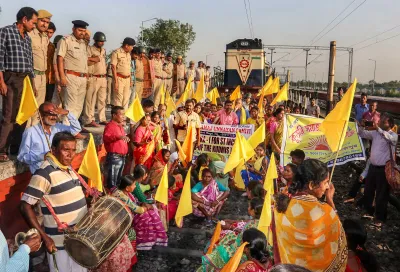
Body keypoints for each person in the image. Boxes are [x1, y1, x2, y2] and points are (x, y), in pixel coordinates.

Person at [21, 132, 88, 272]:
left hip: (78, 240)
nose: (70, 154)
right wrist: (45, 238)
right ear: (54, 150)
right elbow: (25, 206)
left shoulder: (67, 168)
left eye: (73, 150)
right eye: (66, 150)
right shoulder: (44, 173)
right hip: (61, 244)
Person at [275, 159, 347, 272]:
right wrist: (330, 201)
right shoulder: (326, 211)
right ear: (311, 185)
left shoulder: (282, 204)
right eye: (325, 182)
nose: (328, 187)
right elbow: (337, 237)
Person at [0, 7, 38, 161]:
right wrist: (1, 81)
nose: (34, 26)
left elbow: (30, 63)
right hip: (10, 78)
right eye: (33, 23)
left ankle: (16, 148)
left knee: (22, 115)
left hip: (25, 79)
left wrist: (33, 85)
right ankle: (2, 149)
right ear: (24, 20)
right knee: (9, 115)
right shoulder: (6, 32)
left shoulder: (27, 38)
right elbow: (0, 59)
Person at [198, 198, 263, 272]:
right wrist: (233, 222)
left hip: (239, 250)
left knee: (221, 242)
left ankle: (211, 256)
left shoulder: (252, 225)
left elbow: (243, 238)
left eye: (249, 206)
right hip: (246, 246)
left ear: (253, 210)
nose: (248, 208)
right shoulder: (260, 221)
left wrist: (231, 227)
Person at [18, 102, 81, 174]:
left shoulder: (58, 127)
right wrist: (42, 156)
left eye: (55, 114)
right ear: (41, 115)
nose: (54, 117)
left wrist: (67, 113)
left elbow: (76, 129)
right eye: (51, 114)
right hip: (41, 174)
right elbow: (22, 157)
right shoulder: (30, 132)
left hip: (59, 172)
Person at [358, 114, 398, 227]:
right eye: (381, 121)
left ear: (390, 124)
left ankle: (380, 218)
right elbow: (362, 133)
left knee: (382, 194)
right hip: (373, 167)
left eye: (384, 122)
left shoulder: (393, 135)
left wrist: (378, 129)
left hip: (383, 169)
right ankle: (369, 212)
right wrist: (361, 126)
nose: (380, 123)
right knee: (368, 191)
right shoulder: (376, 133)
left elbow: (389, 138)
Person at [114, 167, 168, 250]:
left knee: (151, 213)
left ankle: (152, 239)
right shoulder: (122, 196)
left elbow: (136, 203)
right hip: (123, 218)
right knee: (146, 216)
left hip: (129, 213)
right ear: (127, 188)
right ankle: (144, 242)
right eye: (134, 185)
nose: (135, 187)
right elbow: (138, 209)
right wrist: (147, 207)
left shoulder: (124, 192)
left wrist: (145, 205)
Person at [57, 20, 89, 129]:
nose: (82, 33)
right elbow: (60, 58)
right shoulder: (66, 40)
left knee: (79, 106)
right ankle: (66, 130)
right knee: (70, 105)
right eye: (80, 30)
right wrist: (62, 76)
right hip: (70, 76)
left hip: (82, 77)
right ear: (73, 29)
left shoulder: (83, 43)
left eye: (84, 31)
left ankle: (74, 129)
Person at [27, 10, 52, 127]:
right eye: (42, 21)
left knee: (39, 108)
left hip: (42, 75)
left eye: (47, 22)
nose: (45, 24)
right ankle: (26, 136)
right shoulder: (30, 35)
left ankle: (35, 135)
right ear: (36, 20)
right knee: (29, 107)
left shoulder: (45, 37)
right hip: (32, 75)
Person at [83, 31, 107, 127]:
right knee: (90, 100)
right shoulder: (89, 49)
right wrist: (94, 59)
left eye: (103, 41)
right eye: (100, 41)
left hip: (103, 77)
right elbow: (85, 60)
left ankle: (102, 118)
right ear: (95, 40)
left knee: (102, 99)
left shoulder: (104, 50)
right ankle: (89, 119)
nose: (102, 43)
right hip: (93, 77)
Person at [103, 106, 130, 189]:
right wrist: (118, 137)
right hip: (114, 157)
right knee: (112, 182)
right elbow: (106, 138)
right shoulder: (110, 126)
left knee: (118, 181)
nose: (123, 116)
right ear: (114, 115)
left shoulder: (120, 126)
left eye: (124, 114)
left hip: (122, 157)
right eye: (121, 114)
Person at [110, 37, 135, 109]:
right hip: (119, 78)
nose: (132, 48)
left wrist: (130, 80)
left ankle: (123, 117)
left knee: (126, 99)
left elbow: (129, 68)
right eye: (131, 46)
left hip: (127, 79)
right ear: (126, 45)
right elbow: (113, 67)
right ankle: (117, 117)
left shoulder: (128, 55)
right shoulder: (116, 53)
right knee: (118, 99)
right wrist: (116, 81)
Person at [45, 22, 57, 102]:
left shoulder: (52, 46)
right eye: (47, 32)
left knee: (48, 101)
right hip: (40, 76)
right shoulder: (36, 43)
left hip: (51, 78)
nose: (49, 35)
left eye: (51, 33)